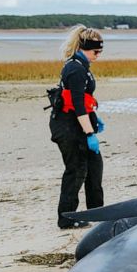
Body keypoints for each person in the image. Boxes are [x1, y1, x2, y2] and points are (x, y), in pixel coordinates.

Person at [49, 25, 106, 229]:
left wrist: (94, 119)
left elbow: (85, 100)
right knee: (76, 170)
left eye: (100, 52)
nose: (97, 56)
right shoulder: (74, 68)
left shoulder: (83, 66)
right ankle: (67, 218)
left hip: (81, 123)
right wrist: (90, 132)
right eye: (95, 52)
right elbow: (77, 105)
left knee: (94, 167)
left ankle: (98, 213)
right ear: (84, 48)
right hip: (68, 127)